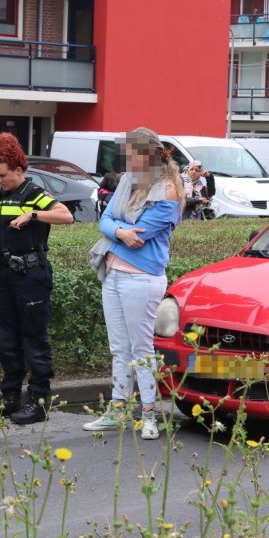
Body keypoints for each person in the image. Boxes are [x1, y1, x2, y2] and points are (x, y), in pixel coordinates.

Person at [83, 127, 184, 439]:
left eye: (132, 156)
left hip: (141, 279)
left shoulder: (167, 190)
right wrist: (121, 231)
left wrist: (120, 230)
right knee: (119, 348)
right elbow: (104, 219)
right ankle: (117, 412)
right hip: (113, 273)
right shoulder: (128, 180)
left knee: (141, 349)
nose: (127, 162)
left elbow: (142, 235)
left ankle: (150, 415)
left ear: (149, 155)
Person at [0, 133, 74, 425]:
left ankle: (39, 401)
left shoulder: (35, 194)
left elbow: (66, 215)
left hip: (31, 276)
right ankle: (10, 398)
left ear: (19, 170)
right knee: (6, 341)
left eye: (3, 175)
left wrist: (33, 214)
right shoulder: (0, 197)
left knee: (33, 340)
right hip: (5, 275)